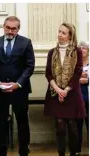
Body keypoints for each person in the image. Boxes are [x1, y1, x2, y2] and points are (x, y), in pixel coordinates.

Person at [0, 16, 35, 156]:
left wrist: (18, 83)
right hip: (0, 90)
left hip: (19, 89)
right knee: (1, 122)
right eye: (8, 28)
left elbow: (30, 66)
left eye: (14, 29)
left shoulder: (26, 43)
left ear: (18, 29)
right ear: (4, 26)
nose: (10, 31)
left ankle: (24, 150)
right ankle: (1, 151)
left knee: (22, 121)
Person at [44, 22, 86, 156]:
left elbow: (78, 72)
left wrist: (66, 90)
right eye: (59, 31)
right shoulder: (52, 52)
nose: (60, 35)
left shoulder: (77, 51)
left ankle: (74, 153)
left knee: (73, 127)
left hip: (72, 93)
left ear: (70, 36)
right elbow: (48, 73)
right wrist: (58, 90)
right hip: (55, 93)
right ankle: (61, 153)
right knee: (60, 126)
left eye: (63, 33)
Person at [76, 41, 89, 155]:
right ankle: (77, 150)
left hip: (88, 97)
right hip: (77, 99)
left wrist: (87, 79)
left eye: (85, 48)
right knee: (77, 125)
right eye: (80, 48)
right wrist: (80, 78)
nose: (83, 50)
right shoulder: (74, 64)